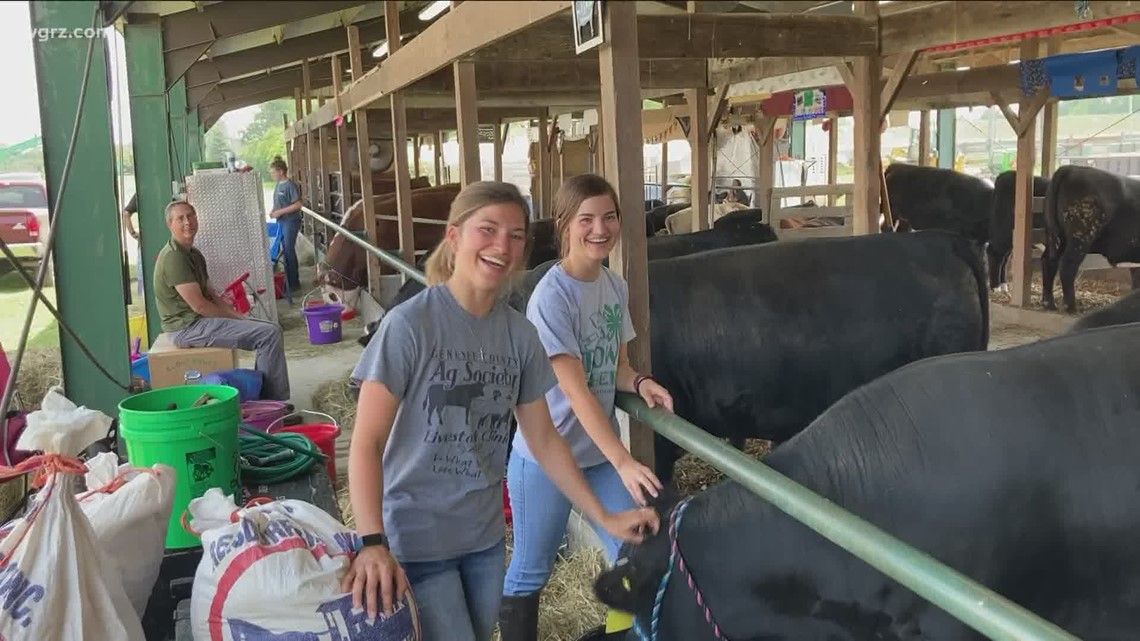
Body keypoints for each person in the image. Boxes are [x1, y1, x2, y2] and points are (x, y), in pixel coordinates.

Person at [343, 181, 659, 641]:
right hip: (417, 538)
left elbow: (545, 440)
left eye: (515, 236)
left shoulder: (519, 336)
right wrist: (371, 542)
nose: (502, 246)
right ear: (454, 237)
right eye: (487, 230)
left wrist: (604, 516)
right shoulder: (409, 325)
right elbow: (367, 442)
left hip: (484, 541)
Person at [498, 174, 675, 640]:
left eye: (609, 217)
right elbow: (574, 390)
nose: (600, 229)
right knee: (532, 566)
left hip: (596, 456)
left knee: (635, 553)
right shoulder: (551, 298)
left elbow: (614, 364)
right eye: (587, 219)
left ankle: (622, 633)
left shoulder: (614, 287)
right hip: (546, 459)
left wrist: (640, 381)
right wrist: (625, 460)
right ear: (565, 225)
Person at [153, 200, 290, 400]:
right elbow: (199, 305)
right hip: (186, 327)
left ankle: (265, 398)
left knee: (268, 328)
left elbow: (212, 296)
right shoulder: (174, 257)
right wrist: (236, 319)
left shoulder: (195, 254)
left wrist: (239, 317)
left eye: (191, 216)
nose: (188, 222)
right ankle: (272, 402)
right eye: (180, 218)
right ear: (170, 225)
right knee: (268, 334)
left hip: (197, 322)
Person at [267, 156, 303, 295]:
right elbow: (279, 202)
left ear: (281, 171)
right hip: (281, 221)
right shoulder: (278, 185)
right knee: (283, 249)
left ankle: (294, 282)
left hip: (290, 221)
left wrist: (280, 212)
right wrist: (274, 211)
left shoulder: (290, 185)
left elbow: (298, 204)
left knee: (288, 249)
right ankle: (288, 279)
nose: (272, 175)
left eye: (273, 172)